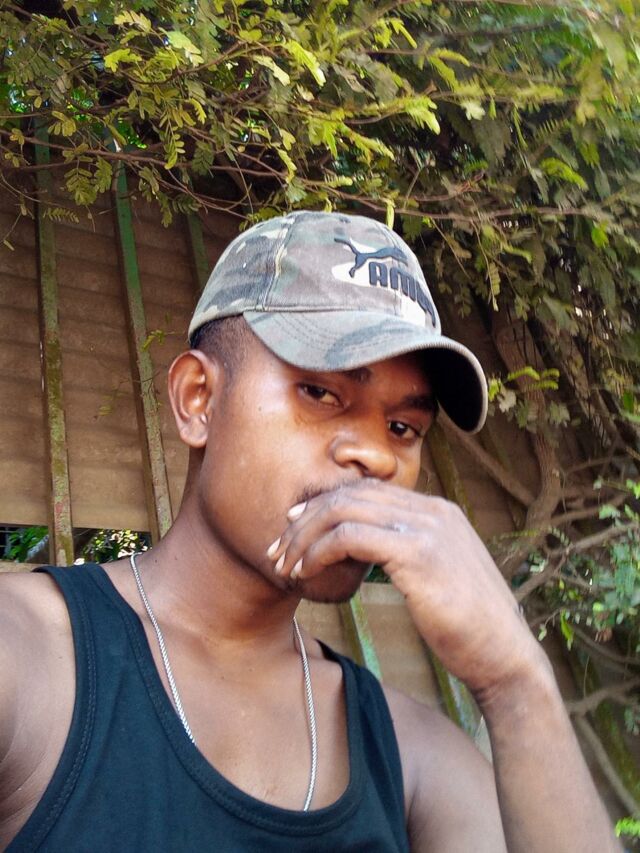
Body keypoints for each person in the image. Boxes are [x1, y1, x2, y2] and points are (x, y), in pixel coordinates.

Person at [0, 211, 618, 851]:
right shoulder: (26, 660)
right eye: (320, 393)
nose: (377, 457)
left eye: (403, 428)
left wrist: (516, 684)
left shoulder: (410, 758)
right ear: (198, 399)